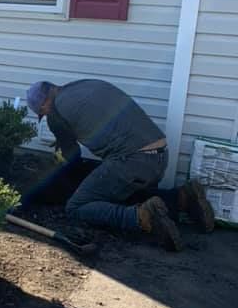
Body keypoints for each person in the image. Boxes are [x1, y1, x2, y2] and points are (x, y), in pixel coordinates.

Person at [26, 79, 215, 250]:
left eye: (42, 112)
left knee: (76, 206)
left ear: (44, 104)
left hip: (133, 161)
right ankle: (183, 198)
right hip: (159, 155)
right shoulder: (85, 84)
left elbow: (73, 157)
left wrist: (59, 156)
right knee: (119, 192)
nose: (45, 115)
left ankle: (141, 217)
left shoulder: (56, 114)